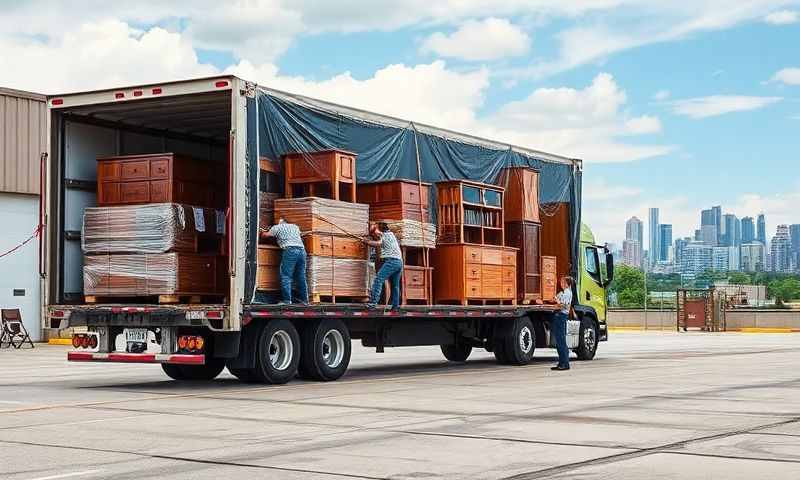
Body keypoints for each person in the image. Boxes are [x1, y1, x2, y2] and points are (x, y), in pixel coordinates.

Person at [261, 218, 308, 305]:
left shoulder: (276, 227)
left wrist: (263, 231)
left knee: (286, 276)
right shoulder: (295, 227)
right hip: (302, 251)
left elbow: (265, 236)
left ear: (278, 223)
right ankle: (304, 300)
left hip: (290, 250)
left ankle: (287, 300)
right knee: (301, 277)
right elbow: (300, 237)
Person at [363, 222, 403, 310]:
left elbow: (378, 243)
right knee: (395, 285)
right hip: (399, 262)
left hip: (392, 261)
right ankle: (395, 306)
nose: (374, 233)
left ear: (381, 230)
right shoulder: (391, 234)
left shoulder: (384, 235)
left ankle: (372, 303)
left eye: (375, 230)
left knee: (378, 279)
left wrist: (367, 242)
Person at [551, 276, 573, 371]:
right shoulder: (562, 292)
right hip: (558, 316)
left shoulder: (568, 293)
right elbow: (555, 299)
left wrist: (556, 302)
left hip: (561, 316)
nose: (561, 283)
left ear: (567, 283)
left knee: (561, 340)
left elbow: (562, 305)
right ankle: (561, 363)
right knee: (559, 341)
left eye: (562, 282)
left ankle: (565, 363)